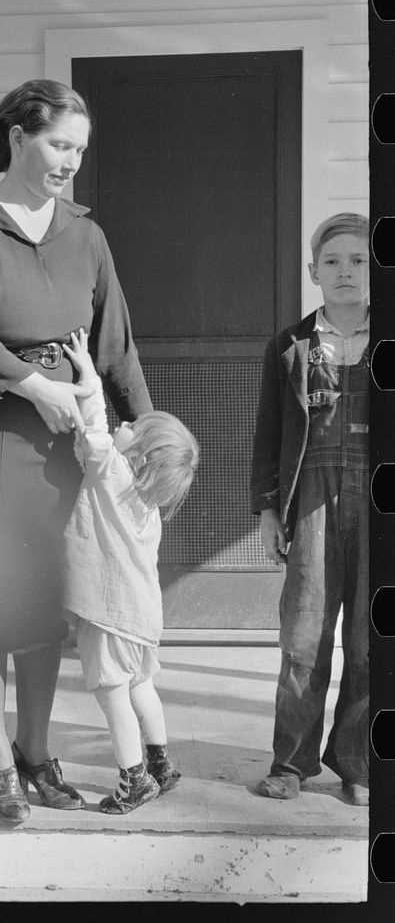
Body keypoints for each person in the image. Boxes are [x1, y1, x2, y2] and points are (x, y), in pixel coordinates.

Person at [0, 80, 153, 822]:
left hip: (57, 437)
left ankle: (36, 753)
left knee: (48, 590)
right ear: (17, 135)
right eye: (57, 144)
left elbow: (114, 342)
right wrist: (29, 384)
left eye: (78, 149)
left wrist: (140, 423)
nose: (69, 163)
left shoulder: (86, 234)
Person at [250, 212, 370, 806]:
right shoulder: (292, 346)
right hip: (313, 499)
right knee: (304, 636)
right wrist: (271, 511)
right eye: (333, 262)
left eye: (358, 260)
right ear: (313, 272)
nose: (345, 272)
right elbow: (269, 435)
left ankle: (359, 764)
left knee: (372, 641)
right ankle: (291, 763)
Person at [61, 328, 198, 814]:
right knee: (142, 687)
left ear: (136, 456)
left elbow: (95, 428)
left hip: (108, 613)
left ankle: (133, 779)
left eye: (133, 430)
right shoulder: (149, 507)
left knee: (112, 694)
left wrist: (87, 372)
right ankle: (162, 763)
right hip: (142, 617)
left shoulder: (115, 474)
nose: (126, 426)